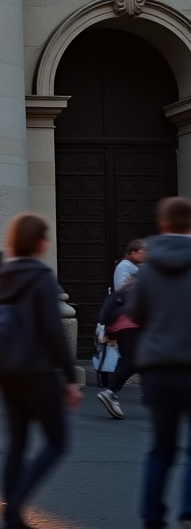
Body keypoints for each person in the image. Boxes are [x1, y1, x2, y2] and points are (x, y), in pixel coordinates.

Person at [0, 213, 82, 529]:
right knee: (57, 442)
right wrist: (70, 378)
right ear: (40, 243)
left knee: (16, 442)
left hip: (7, 370)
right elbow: (53, 332)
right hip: (38, 371)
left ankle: (10, 511)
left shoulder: (0, 276)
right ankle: (14, 507)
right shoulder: (41, 277)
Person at [129, 196, 191, 528]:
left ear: (163, 224)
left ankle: (153, 517)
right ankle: (189, 512)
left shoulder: (148, 269)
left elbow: (136, 313)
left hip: (157, 367)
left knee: (160, 449)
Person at [97, 272, 142, 420]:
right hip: (132, 324)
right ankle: (111, 392)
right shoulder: (149, 281)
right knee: (134, 360)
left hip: (120, 326)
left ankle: (111, 392)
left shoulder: (126, 286)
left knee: (128, 359)